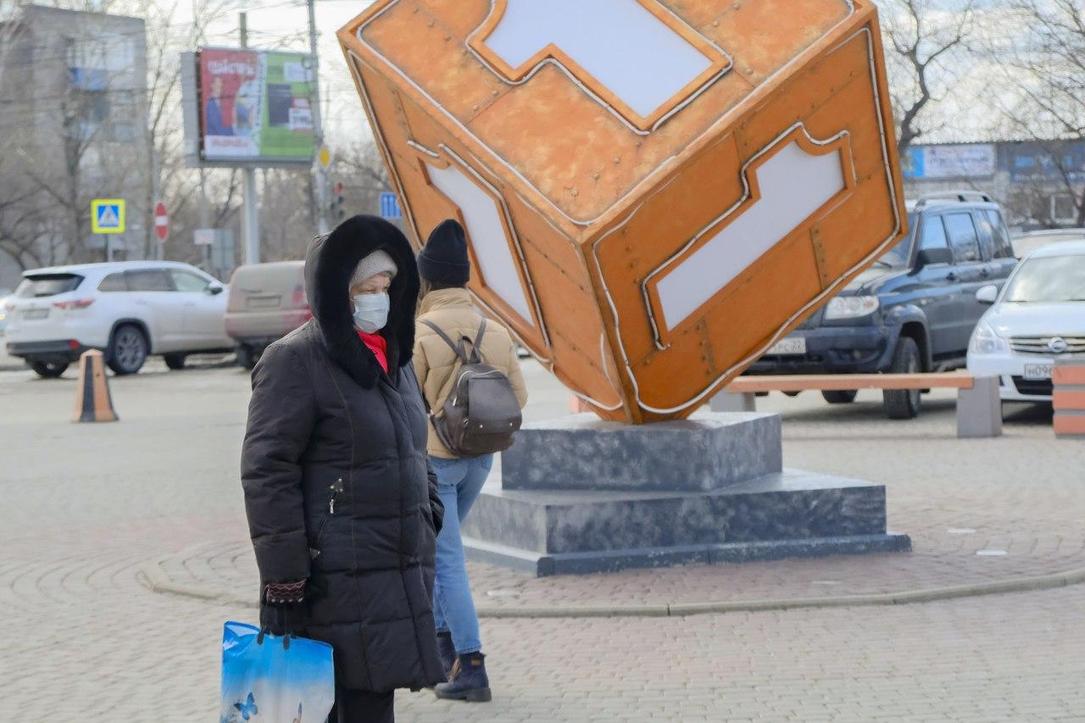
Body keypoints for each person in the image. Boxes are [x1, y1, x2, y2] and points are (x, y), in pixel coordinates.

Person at [241, 215, 446, 723]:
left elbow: (413, 446)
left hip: (393, 575)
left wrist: (429, 508)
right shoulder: (294, 361)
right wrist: (285, 580)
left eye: (385, 287)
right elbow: (268, 472)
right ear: (337, 294)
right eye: (365, 290)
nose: (379, 299)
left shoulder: (394, 359)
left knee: (374, 702)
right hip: (331, 584)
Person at [412, 219, 528, 703]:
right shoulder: (495, 331)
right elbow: (519, 397)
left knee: (446, 560)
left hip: (437, 461)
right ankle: (445, 652)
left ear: (427, 280)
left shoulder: (419, 332)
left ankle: (472, 663)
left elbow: (406, 403)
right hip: (480, 459)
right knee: (444, 556)